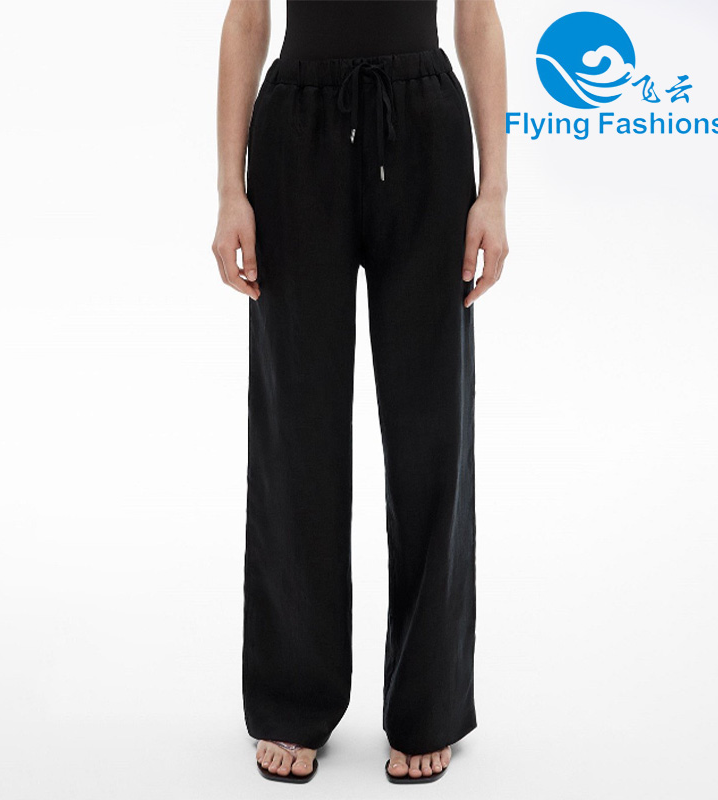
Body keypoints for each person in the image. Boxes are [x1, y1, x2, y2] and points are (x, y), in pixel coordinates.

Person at [212, 0, 509, 783]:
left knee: (432, 425)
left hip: (425, 127)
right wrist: (230, 190)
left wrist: (495, 192)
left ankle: (428, 701)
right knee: (295, 425)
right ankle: (292, 696)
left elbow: (478, 18)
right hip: (295, 132)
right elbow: (246, 18)